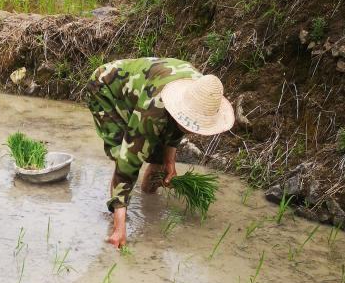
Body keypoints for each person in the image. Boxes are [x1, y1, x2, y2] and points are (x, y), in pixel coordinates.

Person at [86, 57, 235, 248]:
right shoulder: (155, 109)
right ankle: (115, 220)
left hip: (147, 92)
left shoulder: (203, 92)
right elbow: (128, 162)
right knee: (120, 153)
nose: (193, 129)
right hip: (107, 88)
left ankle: (148, 198)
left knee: (157, 158)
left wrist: (169, 162)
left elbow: (178, 127)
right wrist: (119, 227)